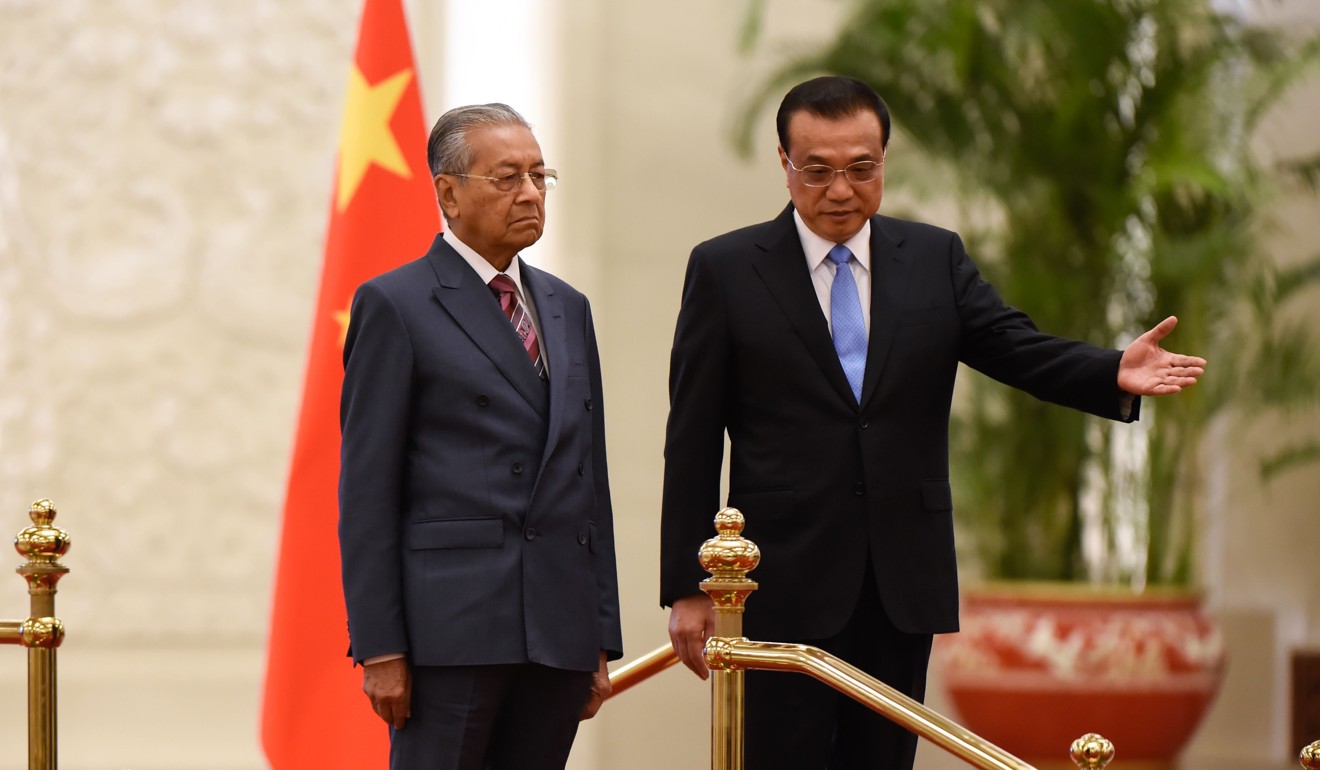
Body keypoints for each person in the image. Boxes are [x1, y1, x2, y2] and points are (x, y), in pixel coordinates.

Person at [659, 76, 1206, 770]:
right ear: (784, 163)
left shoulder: (932, 258)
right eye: (818, 171)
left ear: (883, 161)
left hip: (899, 577)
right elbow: (694, 435)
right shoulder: (728, 268)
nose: (840, 191)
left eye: (862, 169)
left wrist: (1109, 370)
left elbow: (1015, 347)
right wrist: (686, 584)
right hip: (778, 579)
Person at [338, 103, 622, 770]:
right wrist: (380, 647)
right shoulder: (397, 304)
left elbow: (590, 479)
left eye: (538, 175)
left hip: (557, 632)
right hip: (451, 633)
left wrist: (600, 632)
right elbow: (367, 490)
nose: (529, 193)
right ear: (448, 191)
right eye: (506, 178)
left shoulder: (565, 306)